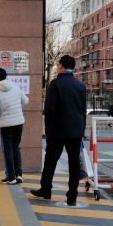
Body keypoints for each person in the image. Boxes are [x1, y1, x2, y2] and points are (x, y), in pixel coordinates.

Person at [31, 55, 86, 206]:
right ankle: (72, 197)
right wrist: (82, 131)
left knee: (50, 161)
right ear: (73, 68)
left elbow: (49, 110)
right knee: (74, 164)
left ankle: (46, 190)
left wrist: (48, 128)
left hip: (56, 131)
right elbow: (82, 111)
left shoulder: (55, 84)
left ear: (60, 66)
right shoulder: (80, 85)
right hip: (75, 131)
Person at [0, 68, 29, 185]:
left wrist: (0, 116)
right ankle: (19, 175)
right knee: (16, 148)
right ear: (6, 76)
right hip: (18, 123)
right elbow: (26, 100)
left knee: (7, 149)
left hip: (6, 124)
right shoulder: (15, 87)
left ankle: (11, 177)